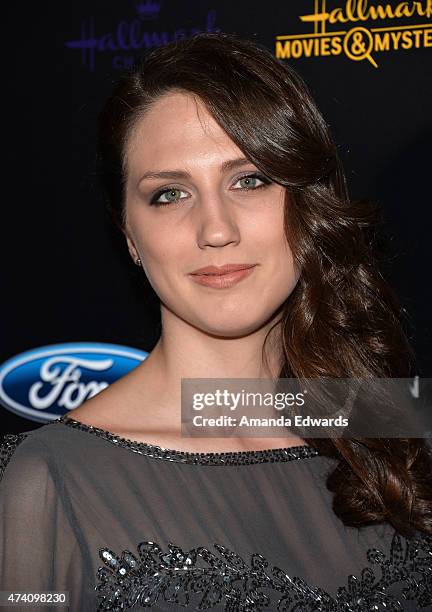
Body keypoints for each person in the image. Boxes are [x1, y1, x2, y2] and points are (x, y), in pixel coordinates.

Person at [1, 32, 431, 612]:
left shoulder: (391, 428)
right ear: (128, 234)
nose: (215, 228)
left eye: (249, 180)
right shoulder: (49, 481)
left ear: (307, 199)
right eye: (170, 194)